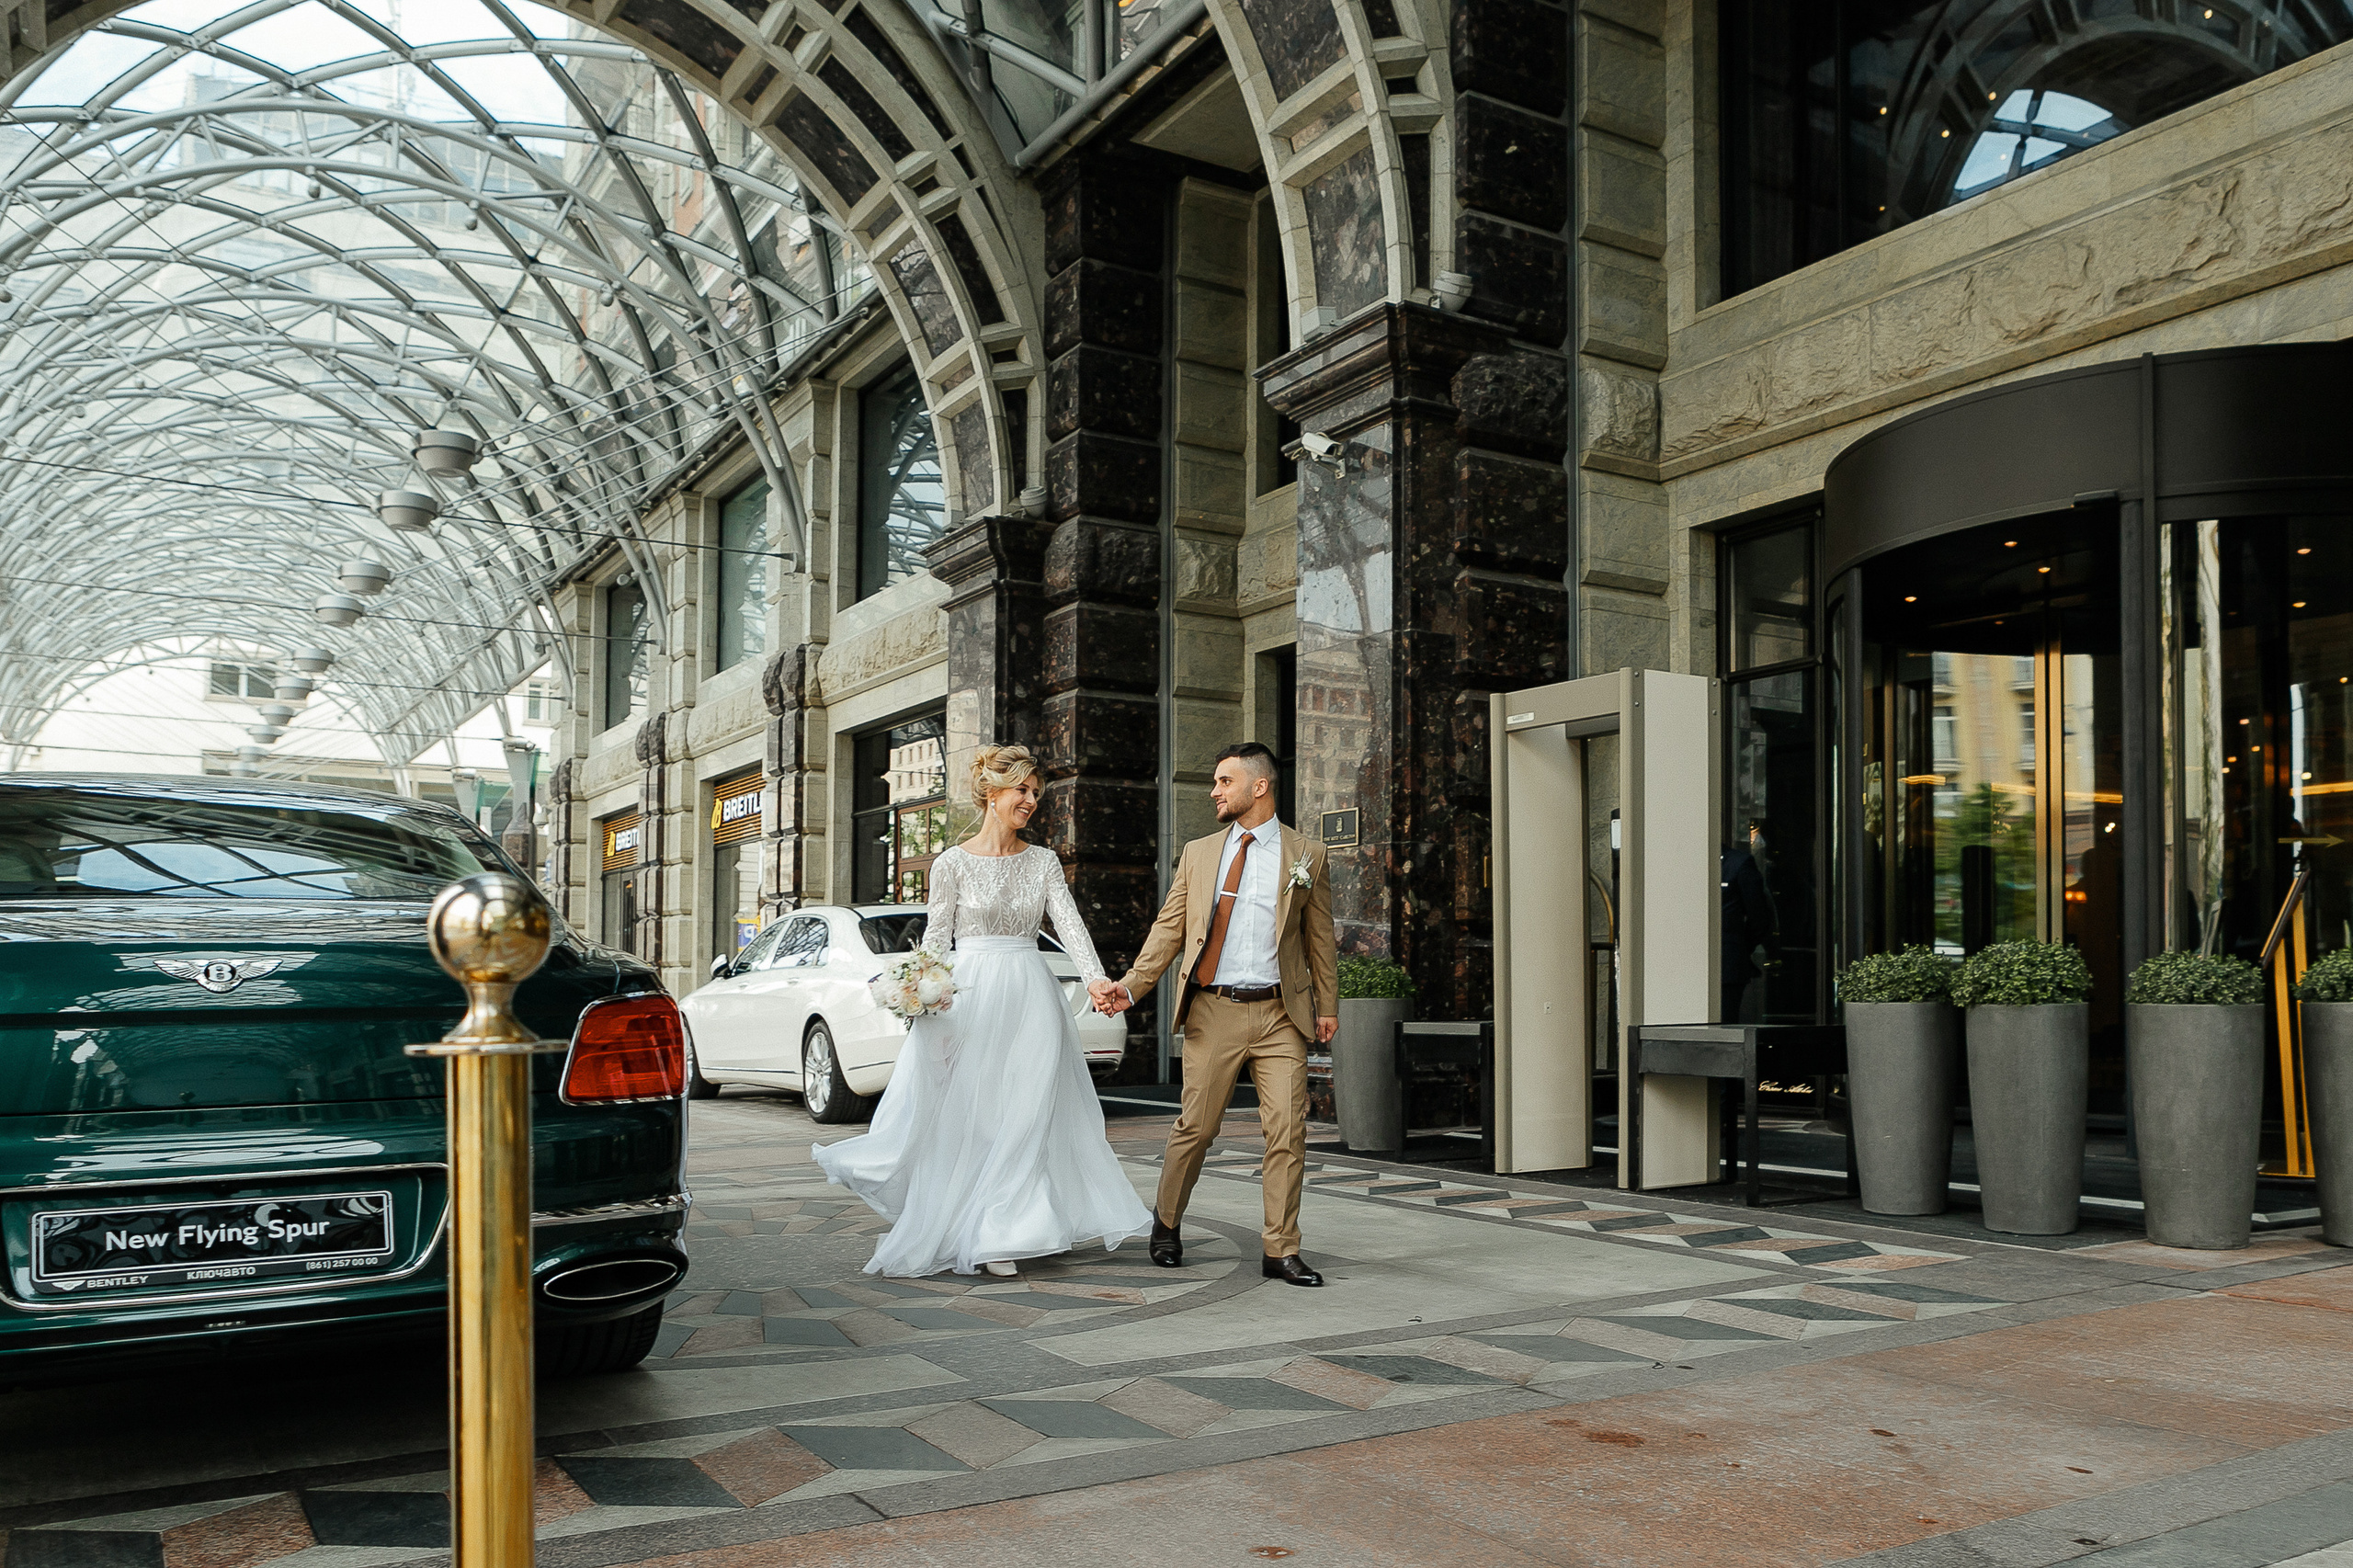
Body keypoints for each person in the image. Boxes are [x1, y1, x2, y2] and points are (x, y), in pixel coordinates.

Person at [813, 744, 1151, 1278]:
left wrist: (1095, 978)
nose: (1032, 801)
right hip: (969, 999)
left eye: (1037, 793)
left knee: (1027, 1109)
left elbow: (1069, 923)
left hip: (1031, 995)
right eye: (1023, 790)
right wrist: (923, 992)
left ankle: (1005, 1231)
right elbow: (937, 940)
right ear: (992, 794)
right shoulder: (951, 863)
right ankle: (981, 1226)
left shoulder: (1042, 862)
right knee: (979, 1114)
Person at [1094, 742, 1338, 1288]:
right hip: (1213, 1010)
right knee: (1197, 1128)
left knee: (1287, 1133)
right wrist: (1132, 987)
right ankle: (1166, 1222)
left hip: (1280, 1015)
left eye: (1224, 781)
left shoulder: (1308, 854)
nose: (1214, 792)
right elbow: (1169, 928)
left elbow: (1320, 938)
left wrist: (1327, 1005)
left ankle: (1281, 1248)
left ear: (1259, 787)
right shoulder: (1200, 853)